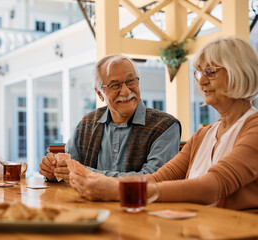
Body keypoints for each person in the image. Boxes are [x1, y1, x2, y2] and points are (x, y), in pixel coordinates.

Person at [69, 36, 258, 213]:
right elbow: (155, 179)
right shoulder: (203, 135)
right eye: (199, 72)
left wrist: (116, 190)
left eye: (210, 72)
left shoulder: (254, 128)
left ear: (239, 72)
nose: (201, 81)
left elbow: (211, 187)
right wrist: (96, 180)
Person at [39, 54, 181, 182]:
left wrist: (85, 173)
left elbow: (153, 179)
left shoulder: (166, 126)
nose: (126, 91)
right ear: (100, 93)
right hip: (89, 209)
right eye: (115, 85)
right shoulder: (86, 124)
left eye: (131, 81)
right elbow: (68, 171)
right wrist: (53, 171)